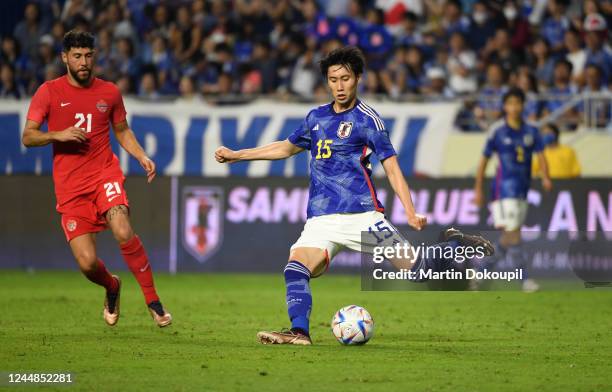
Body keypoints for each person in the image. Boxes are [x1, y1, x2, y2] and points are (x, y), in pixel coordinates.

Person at [215, 46, 493, 345]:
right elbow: (285, 147)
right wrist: (238, 155)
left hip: (363, 216)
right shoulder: (316, 118)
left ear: (357, 78)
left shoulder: (367, 119)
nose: (339, 85)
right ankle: (299, 333)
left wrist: (410, 211)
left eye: (345, 78)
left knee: (419, 271)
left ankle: (452, 242)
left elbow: (393, 168)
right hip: (321, 220)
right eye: (333, 79)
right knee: (295, 268)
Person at [22, 30, 172, 327]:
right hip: (70, 187)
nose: (84, 62)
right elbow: (28, 136)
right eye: (77, 56)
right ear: (65, 58)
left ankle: (153, 301)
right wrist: (57, 134)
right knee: (88, 264)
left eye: (89, 56)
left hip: (104, 173)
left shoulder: (109, 92)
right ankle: (112, 286)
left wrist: (141, 155)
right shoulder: (48, 92)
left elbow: (121, 129)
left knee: (122, 228)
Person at [474, 88, 552, 292]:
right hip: (503, 190)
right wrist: (478, 189)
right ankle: (524, 280)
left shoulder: (531, 131)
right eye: (510, 103)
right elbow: (483, 161)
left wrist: (545, 176)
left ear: (523, 106)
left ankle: (480, 273)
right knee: (513, 233)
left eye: (518, 103)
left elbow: (541, 155)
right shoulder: (498, 131)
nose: (514, 107)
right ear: (505, 106)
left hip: (522, 190)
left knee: (507, 238)